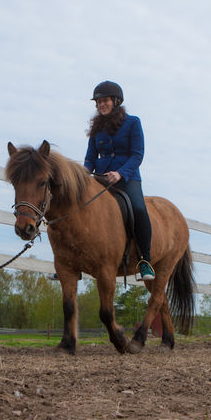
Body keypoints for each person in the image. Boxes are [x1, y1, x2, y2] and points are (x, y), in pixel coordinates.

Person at [83, 80, 155, 280]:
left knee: (139, 210)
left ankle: (145, 261)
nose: (101, 105)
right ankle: (73, 258)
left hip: (127, 178)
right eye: (97, 102)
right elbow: (90, 158)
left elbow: (137, 155)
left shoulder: (133, 122)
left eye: (104, 100)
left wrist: (121, 173)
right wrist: (83, 172)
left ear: (115, 101)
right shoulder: (96, 129)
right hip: (101, 178)